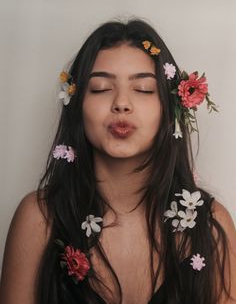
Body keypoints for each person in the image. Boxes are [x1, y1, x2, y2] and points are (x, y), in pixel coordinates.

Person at [0, 19, 236, 304]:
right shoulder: (39, 218)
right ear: (77, 105)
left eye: (144, 89)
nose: (122, 103)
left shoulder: (210, 225)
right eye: (100, 88)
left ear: (169, 108)